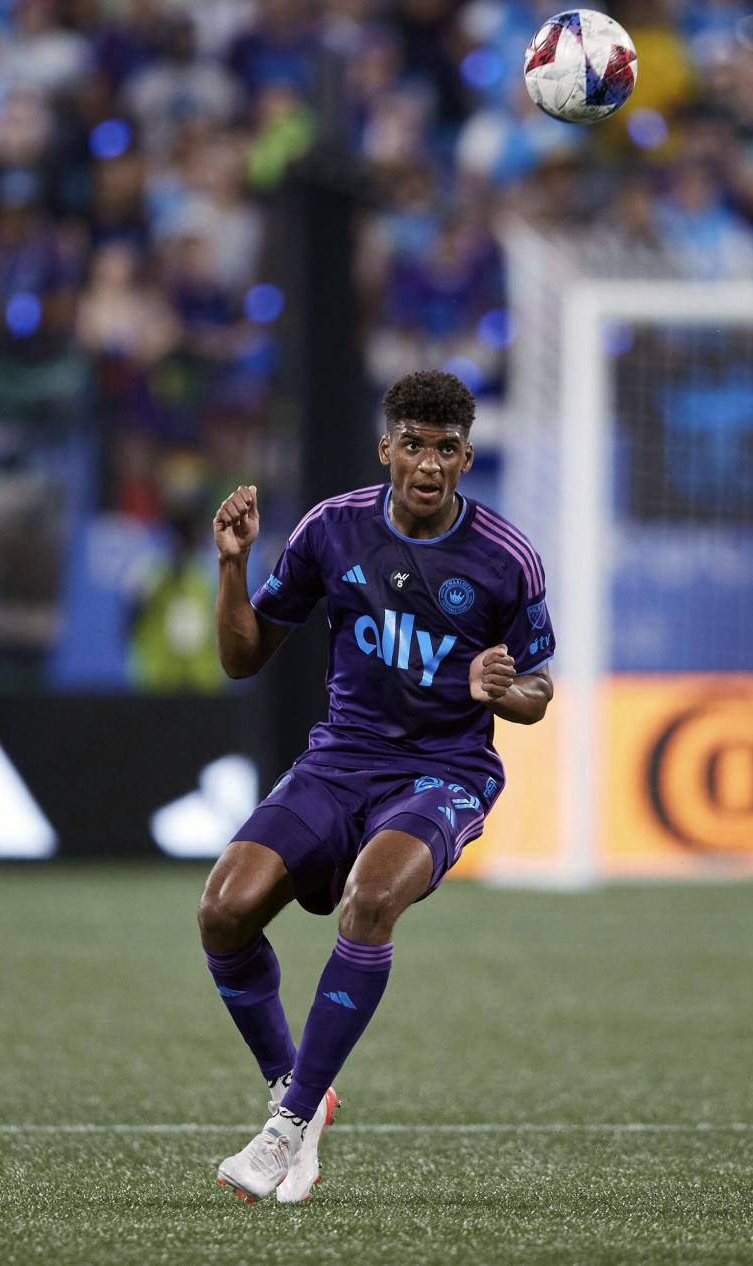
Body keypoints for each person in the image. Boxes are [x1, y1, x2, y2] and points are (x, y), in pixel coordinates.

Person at [198, 369, 554, 1204]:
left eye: (447, 449)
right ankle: (301, 1087)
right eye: (414, 446)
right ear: (385, 447)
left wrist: (504, 691)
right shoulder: (332, 531)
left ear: (467, 458)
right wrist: (233, 567)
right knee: (222, 910)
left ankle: (283, 1132)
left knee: (370, 898)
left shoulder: (507, 561)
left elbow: (539, 693)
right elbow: (244, 656)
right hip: (340, 760)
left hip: (444, 772)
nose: (428, 464)